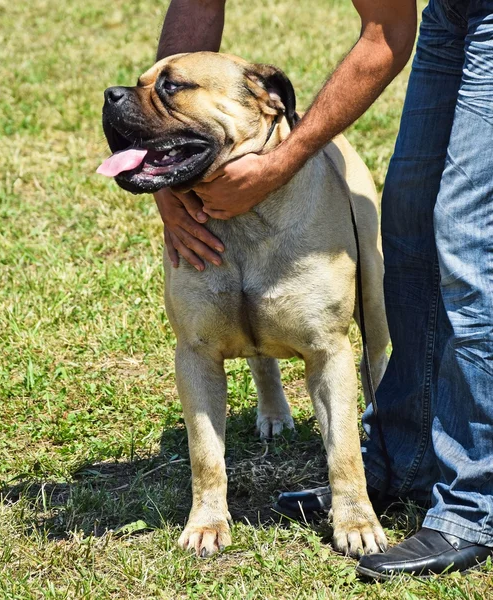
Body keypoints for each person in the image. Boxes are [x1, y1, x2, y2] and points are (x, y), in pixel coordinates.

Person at [154, 0, 493, 579]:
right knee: (408, 227)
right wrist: (164, 160)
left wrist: (280, 160)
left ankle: (474, 504)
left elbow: (385, 32)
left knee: (464, 240)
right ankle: (404, 460)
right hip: (452, 13)